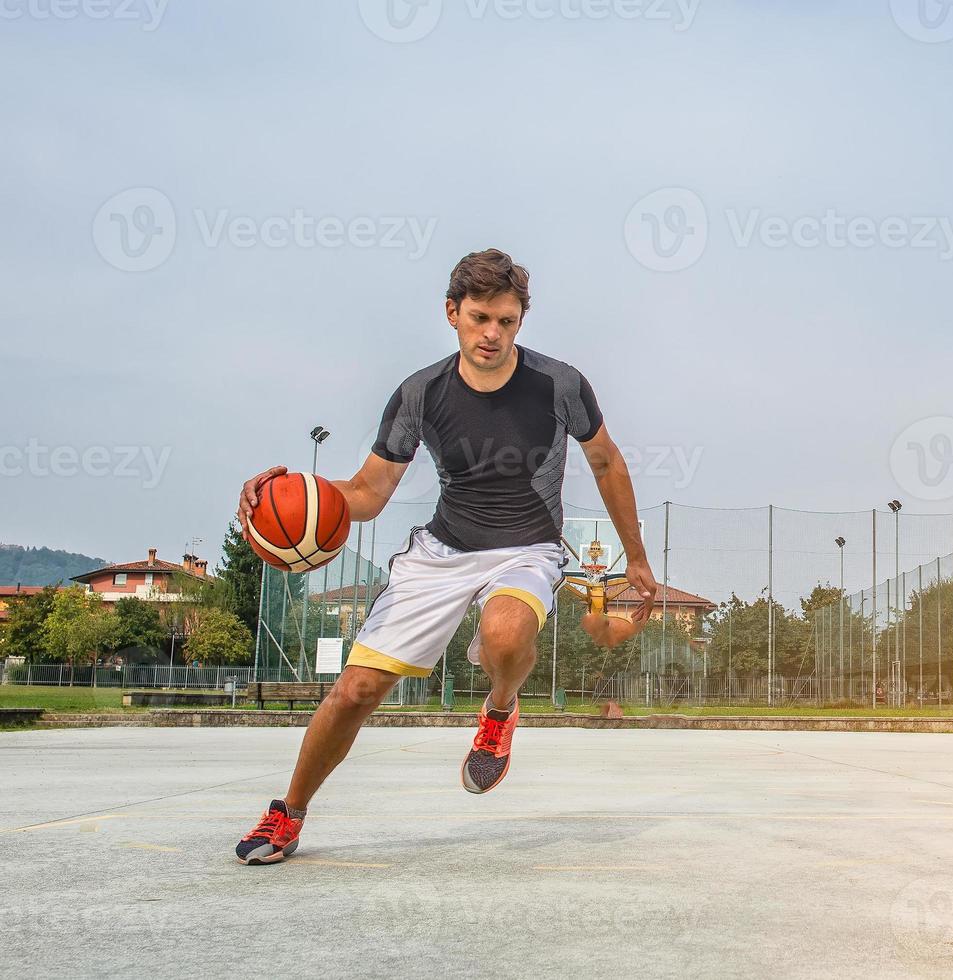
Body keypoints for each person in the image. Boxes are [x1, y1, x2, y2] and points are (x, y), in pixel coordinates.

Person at [232, 249, 655, 865]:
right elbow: (369, 493)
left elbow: (606, 461)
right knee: (355, 691)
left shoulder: (560, 385)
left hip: (527, 546)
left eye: (507, 322)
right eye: (480, 318)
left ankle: (499, 712)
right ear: (452, 313)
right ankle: (287, 815)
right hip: (443, 550)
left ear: (520, 321)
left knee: (505, 632)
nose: (493, 334)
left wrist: (636, 558)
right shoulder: (421, 393)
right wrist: (291, 492)